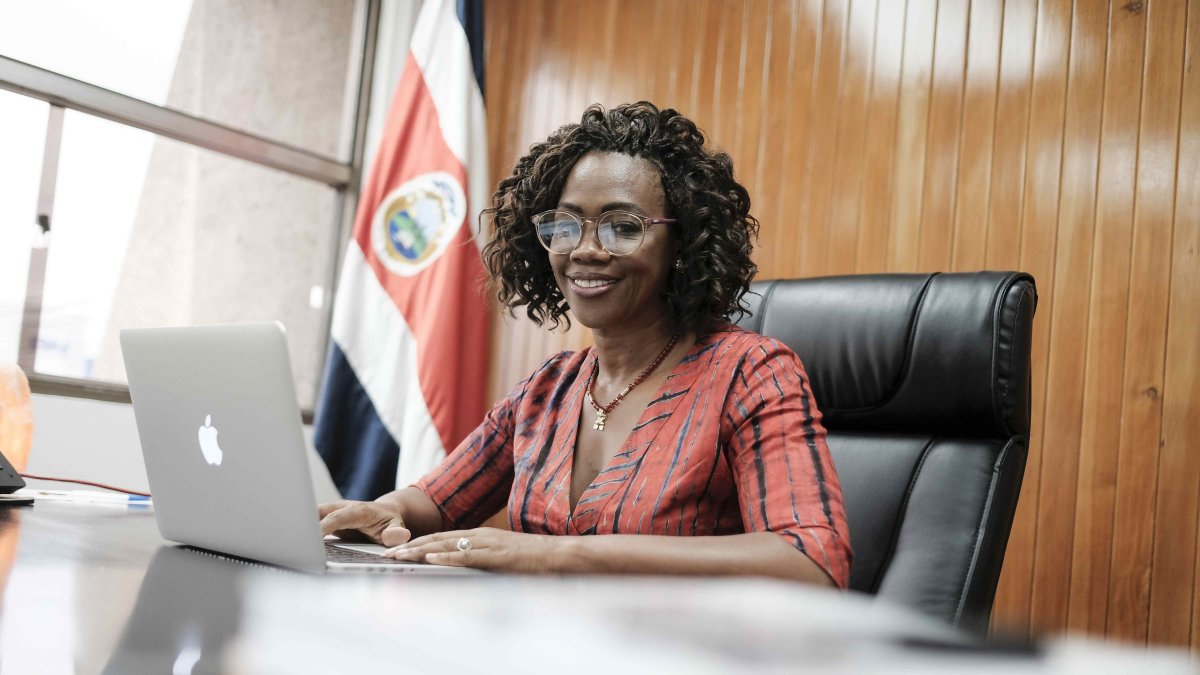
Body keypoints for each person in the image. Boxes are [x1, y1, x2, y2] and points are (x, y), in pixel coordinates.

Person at [319, 102, 852, 587]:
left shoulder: (749, 372)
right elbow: (435, 500)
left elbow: (810, 560)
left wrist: (559, 555)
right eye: (565, 226)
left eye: (622, 227)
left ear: (684, 242)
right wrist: (387, 511)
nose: (586, 251)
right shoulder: (549, 387)